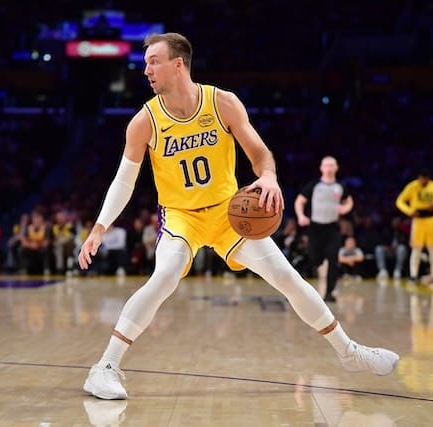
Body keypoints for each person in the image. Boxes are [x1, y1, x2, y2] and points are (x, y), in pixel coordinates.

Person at [78, 32, 398, 400]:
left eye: (154, 61)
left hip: (228, 213)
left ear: (178, 64)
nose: (146, 69)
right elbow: (124, 181)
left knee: (286, 276)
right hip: (181, 216)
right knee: (165, 275)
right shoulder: (144, 121)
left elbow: (260, 154)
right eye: (146, 62)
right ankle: (104, 367)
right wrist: (99, 228)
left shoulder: (222, 103)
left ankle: (350, 353)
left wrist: (269, 177)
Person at [294, 156, 354, 302]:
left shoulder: (340, 186)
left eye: (331, 165)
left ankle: (329, 293)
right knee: (315, 258)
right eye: (326, 165)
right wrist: (301, 216)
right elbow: (299, 201)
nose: (329, 168)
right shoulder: (314, 185)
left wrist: (345, 209)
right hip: (315, 228)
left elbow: (349, 201)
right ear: (321, 168)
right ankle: (316, 263)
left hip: (332, 228)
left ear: (336, 168)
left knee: (333, 260)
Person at [395, 169, 433, 284]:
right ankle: (413, 275)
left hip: (432, 219)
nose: (423, 181)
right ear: (419, 177)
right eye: (421, 178)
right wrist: (409, 211)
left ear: (428, 178)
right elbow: (399, 201)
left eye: (425, 179)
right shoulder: (412, 186)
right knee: (416, 249)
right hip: (418, 219)